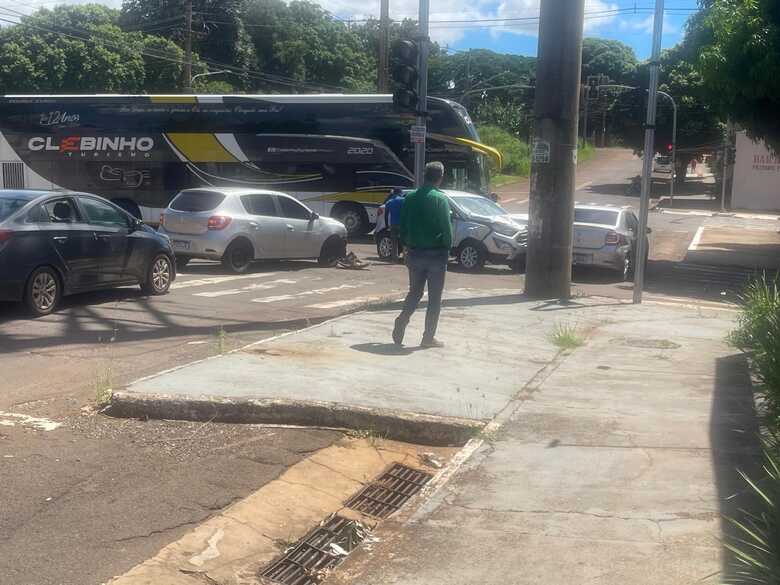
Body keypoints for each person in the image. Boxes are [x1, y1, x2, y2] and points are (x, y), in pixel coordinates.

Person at [392, 161, 452, 348]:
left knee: (415, 292)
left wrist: (407, 246)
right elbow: (447, 230)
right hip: (436, 254)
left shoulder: (410, 198)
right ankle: (428, 338)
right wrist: (447, 248)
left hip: (415, 253)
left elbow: (403, 226)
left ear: (424, 175)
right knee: (435, 298)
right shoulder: (440, 199)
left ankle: (402, 319)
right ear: (440, 178)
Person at [385, 188, 405, 262]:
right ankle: (405, 258)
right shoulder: (403, 200)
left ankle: (394, 259)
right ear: (400, 193)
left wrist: (387, 225)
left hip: (393, 224)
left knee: (394, 242)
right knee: (404, 241)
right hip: (402, 224)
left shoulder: (389, 202)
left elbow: (386, 215)